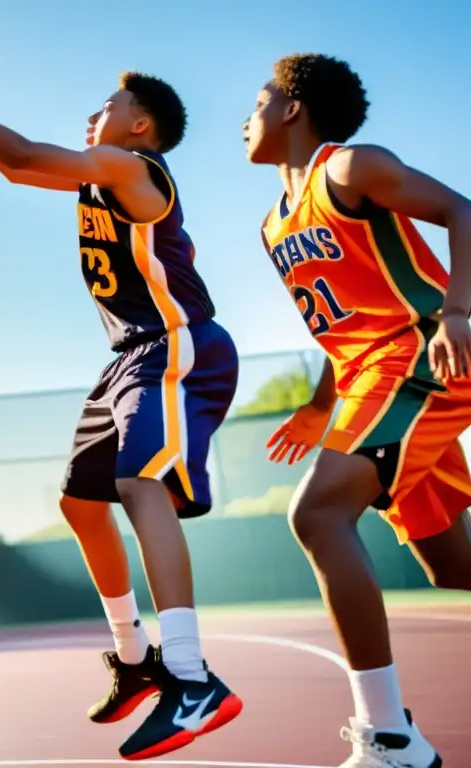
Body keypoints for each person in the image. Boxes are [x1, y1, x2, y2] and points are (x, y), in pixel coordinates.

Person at [0, 44, 242, 760]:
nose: (93, 114)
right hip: (128, 359)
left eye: (109, 107)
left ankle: (191, 676)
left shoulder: (131, 168)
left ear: (141, 126)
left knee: (139, 482)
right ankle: (135, 657)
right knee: (80, 503)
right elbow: (25, 170)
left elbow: (19, 158)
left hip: (177, 344)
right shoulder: (103, 178)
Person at [245, 53, 471, 767]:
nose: (243, 119)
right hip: (372, 378)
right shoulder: (274, 226)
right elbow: (343, 329)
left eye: (257, 102)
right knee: (451, 563)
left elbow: (461, 210)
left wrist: (458, 312)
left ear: (291, 110)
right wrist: (318, 406)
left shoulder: (348, 169)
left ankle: (390, 738)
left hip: (423, 355)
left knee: (316, 514)